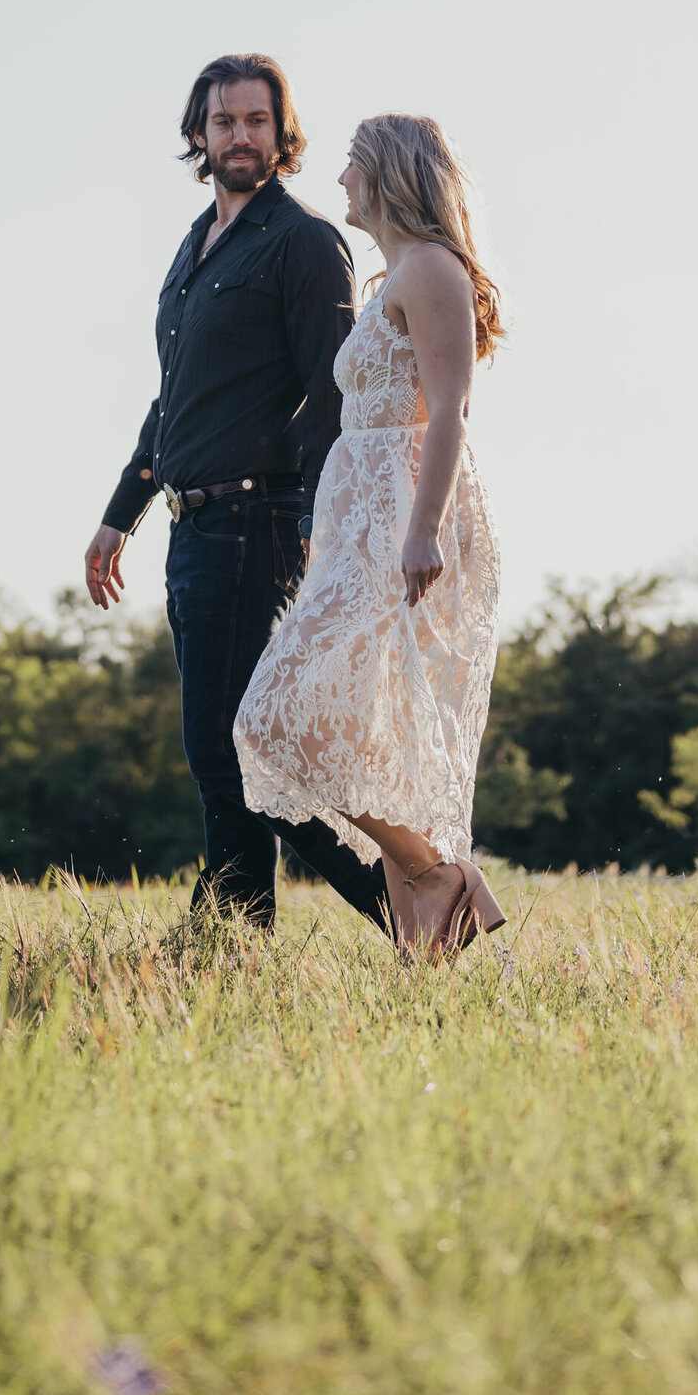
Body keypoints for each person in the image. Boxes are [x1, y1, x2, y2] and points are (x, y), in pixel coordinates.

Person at [86, 55, 393, 938]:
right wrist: (120, 514)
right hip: (193, 526)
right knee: (230, 752)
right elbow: (172, 399)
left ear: (281, 132)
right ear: (199, 135)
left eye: (258, 122)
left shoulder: (301, 241)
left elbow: (332, 396)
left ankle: (396, 909)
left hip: (258, 525)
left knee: (236, 751)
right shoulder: (196, 245)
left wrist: (307, 524)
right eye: (225, 122)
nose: (241, 137)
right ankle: (250, 934)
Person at [233, 112, 506, 958]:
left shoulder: (430, 270)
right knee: (369, 726)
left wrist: (420, 532)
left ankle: (437, 876)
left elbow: (449, 411)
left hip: (405, 523)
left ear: (387, 174)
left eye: (351, 165)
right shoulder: (397, 270)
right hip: (363, 526)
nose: (339, 179)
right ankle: (423, 955)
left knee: (269, 715)